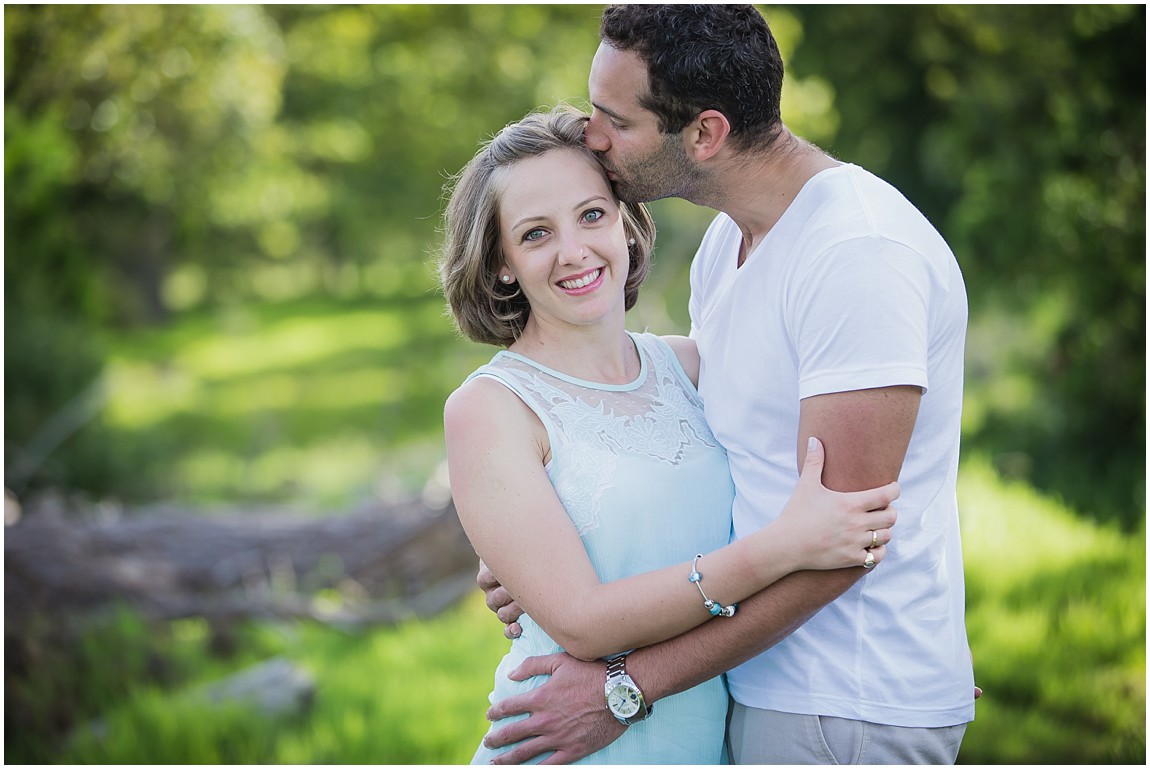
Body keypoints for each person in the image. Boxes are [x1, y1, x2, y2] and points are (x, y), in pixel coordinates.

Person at [478, 5, 976, 765]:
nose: (590, 136)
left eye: (614, 119)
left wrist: (628, 685)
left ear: (704, 134)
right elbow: (699, 438)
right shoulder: (728, 245)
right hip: (746, 686)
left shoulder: (858, 255)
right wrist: (533, 538)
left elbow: (845, 545)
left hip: (840, 700)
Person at [438, 105, 899, 764]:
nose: (575, 251)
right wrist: (782, 548)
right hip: (567, 741)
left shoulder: (692, 366)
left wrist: (905, 657)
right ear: (502, 261)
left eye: (592, 214)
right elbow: (581, 620)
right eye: (536, 234)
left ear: (625, 222)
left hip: (699, 739)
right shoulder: (490, 406)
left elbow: (852, 473)